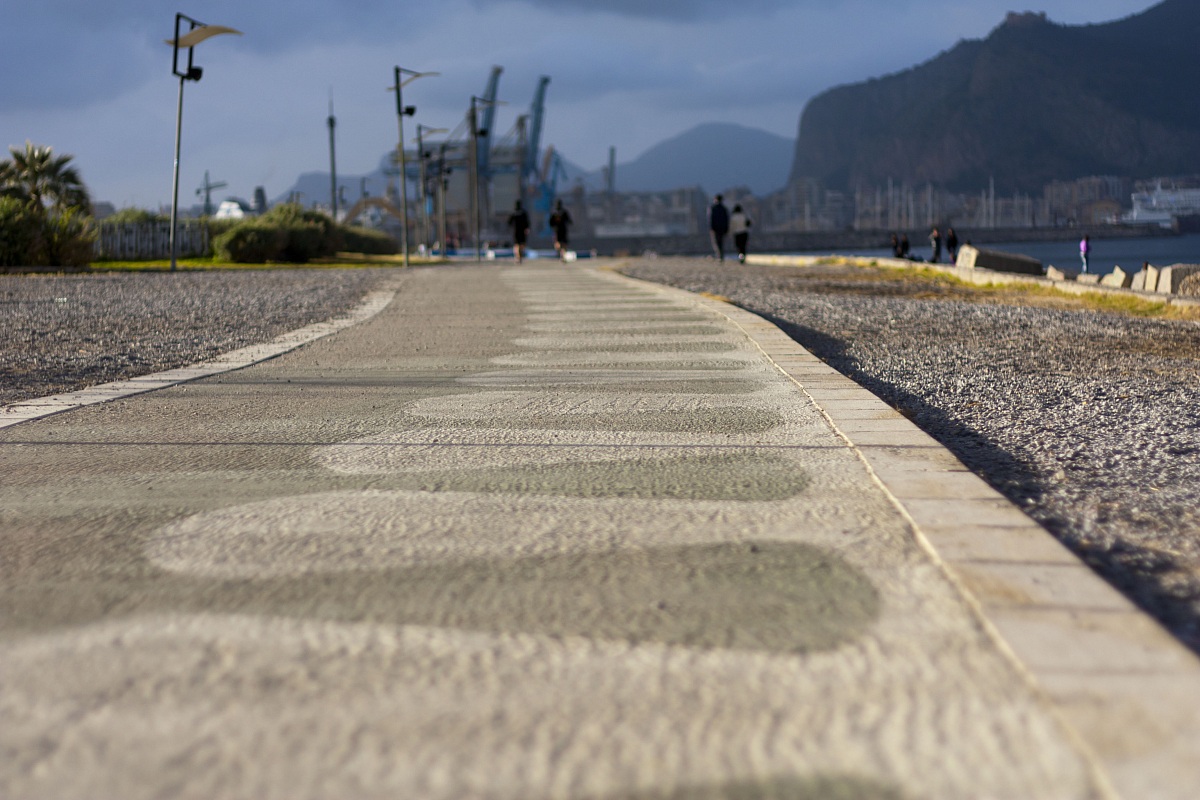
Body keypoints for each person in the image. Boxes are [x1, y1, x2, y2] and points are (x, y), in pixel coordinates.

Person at [708, 194, 730, 261]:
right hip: (722, 229)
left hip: (715, 229)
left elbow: (711, 219)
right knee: (721, 242)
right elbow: (726, 219)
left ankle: (719, 255)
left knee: (716, 242)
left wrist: (711, 228)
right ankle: (721, 255)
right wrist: (726, 228)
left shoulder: (712, 208)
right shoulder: (724, 209)